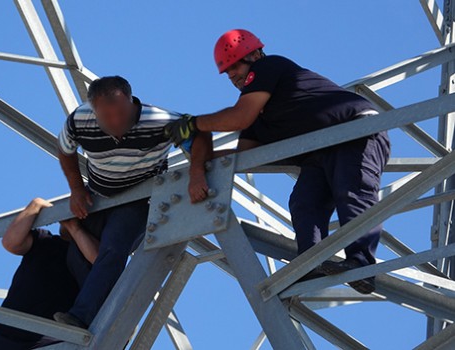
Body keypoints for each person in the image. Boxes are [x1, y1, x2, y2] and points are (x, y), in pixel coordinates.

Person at [164, 29, 390, 294]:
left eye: (235, 65)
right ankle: (310, 263)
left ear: (255, 54)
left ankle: (362, 264)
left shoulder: (268, 67)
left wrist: (194, 124)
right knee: (304, 202)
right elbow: (243, 158)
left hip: (354, 130)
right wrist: (198, 156)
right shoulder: (258, 116)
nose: (232, 75)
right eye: (227, 71)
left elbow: (239, 118)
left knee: (351, 190)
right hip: (320, 150)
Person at [54, 76, 213, 328]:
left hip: (140, 198)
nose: (116, 122)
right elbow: (65, 149)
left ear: (131, 101)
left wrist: (196, 174)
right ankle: (91, 316)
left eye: (121, 113)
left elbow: (200, 135)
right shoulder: (79, 120)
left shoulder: (160, 122)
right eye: (107, 117)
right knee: (75, 253)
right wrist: (75, 188)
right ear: (94, 110)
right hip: (98, 197)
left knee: (114, 248)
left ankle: (82, 317)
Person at [0, 198, 99, 349]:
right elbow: (11, 242)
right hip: (6, 339)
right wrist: (36, 205)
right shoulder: (46, 242)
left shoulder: (91, 260)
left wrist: (75, 229)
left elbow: (100, 261)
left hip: (49, 343)